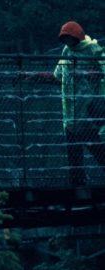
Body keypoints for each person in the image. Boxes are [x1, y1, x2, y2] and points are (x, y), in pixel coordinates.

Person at [21, 21, 105, 185]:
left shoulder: (92, 50)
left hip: (87, 113)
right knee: (74, 160)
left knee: (99, 152)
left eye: (70, 38)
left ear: (77, 37)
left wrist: (90, 73)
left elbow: (102, 70)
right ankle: (78, 188)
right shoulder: (67, 52)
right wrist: (36, 76)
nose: (67, 42)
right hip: (71, 117)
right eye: (65, 39)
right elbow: (57, 76)